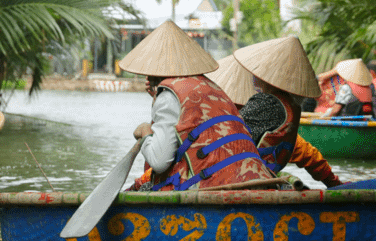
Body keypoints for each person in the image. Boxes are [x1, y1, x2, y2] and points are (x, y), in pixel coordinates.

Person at [121, 20, 276, 192]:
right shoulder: (212, 87)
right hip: (251, 177)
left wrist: (145, 132)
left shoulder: (168, 96)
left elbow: (159, 161)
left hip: (212, 187)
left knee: (142, 189)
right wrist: (157, 99)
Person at [208, 47, 344, 188]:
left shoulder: (267, 103)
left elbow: (224, 136)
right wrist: (334, 184)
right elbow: (308, 154)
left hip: (241, 182)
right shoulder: (290, 107)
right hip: (257, 180)